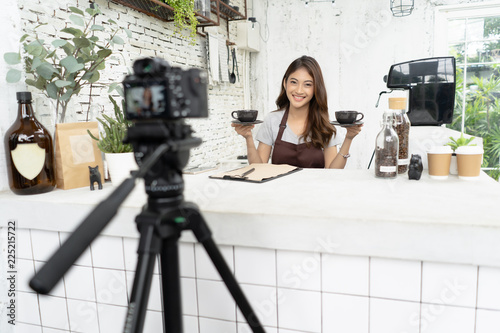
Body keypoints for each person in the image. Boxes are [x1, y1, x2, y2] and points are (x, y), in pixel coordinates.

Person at [232, 55, 363, 168]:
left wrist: (349, 138)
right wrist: (248, 137)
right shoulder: (272, 120)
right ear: (285, 83)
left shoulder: (323, 124)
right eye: (294, 82)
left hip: (314, 194)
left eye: (307, 84)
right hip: (279, 193)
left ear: (315, 89)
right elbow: (258, 169)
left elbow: (332, 172)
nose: (299, 90)